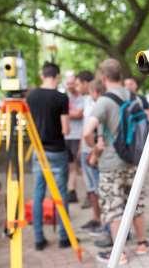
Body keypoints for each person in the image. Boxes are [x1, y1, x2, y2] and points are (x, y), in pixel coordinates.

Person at [83, 59, 149, 265]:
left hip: (111, 164)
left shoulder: (103, 101)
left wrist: (95, 147)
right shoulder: (134, 97)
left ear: (103, 78)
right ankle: (142, 244)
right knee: (135, 203)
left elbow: (87, 132)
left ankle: (119, 254)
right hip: (133, 161)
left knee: (114, 208)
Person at [26, 62, 71, 251]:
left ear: (42, 75)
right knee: (61, 194)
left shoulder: (31, 96)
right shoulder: (61, 98)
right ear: (57, 77)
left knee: (38, 193)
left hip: (38, 150)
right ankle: (63, 237)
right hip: (57, 151)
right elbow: (66, 129)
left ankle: (38, 239)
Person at [79, 78, 104, 236]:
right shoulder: (89, 101)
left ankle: (105, 223)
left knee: (99, 188)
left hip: (93, 152)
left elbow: (95, 133)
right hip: (86, 150)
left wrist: (94, 151)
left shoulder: (100, 105)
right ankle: (97, 219)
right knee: (92, 188)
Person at [64, 73, 84, 204]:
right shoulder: (64, 97)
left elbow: (79, 114)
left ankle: (77, 191)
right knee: (69, 165)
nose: (70, 86)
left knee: (77, 165)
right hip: (67, 135)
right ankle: (70, 191)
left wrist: (67, 113)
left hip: (78, 135)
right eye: (68, 83)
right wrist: (72, 113)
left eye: (72, 83)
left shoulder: (82, 97)